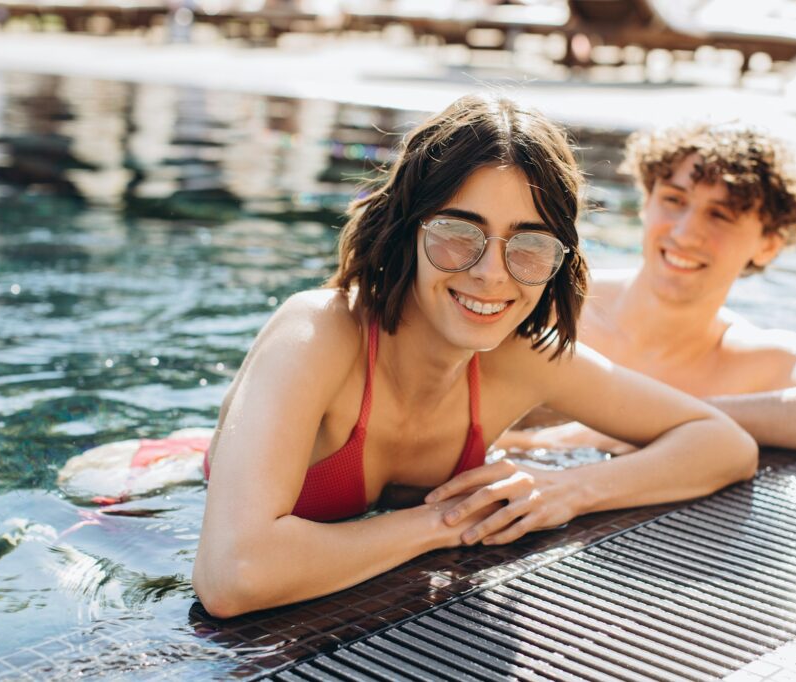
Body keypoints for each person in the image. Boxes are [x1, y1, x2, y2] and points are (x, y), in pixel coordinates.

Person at [182, 95, 757, 618]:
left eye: (529, 243)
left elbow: (721, 444)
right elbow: (234, 575)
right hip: (144, 498)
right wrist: (444, 523)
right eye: (460, 231)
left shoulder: (520, 359)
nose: (490, 274)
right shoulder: (319, 333)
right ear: (408, 227)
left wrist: (567, 491)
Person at [497, 122, 796, 460]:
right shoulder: (551, 301)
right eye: (673, 200)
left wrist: (675, 420)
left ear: (768, 245)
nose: (687, 232)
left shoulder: (751, 364)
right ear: (646, 203)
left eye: (721, 215)